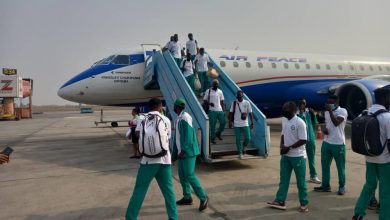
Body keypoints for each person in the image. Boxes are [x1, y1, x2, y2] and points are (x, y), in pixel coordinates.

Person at [124, 98, 177, 220]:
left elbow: (137, 135)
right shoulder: (166, 120)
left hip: (147, 162)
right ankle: (173, 218)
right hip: (164, 161)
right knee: (169, 192)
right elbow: (167, 137)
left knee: (139, 191)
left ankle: (131, 217)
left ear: (149, 107)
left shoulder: (142, 119)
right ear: (160, 107)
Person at [353, 87, 390, 220]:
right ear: (386, 98)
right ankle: (385, 217)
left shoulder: (364, 113)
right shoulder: (387, 117)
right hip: (384, 160)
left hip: (369, 157)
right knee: (386, 191)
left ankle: (358, 212)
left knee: (369, 185)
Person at [267, 101, 309, 212]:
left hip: (298, 156)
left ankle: (304, 203)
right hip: (285, 156)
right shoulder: (284, 120)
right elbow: (283, 134)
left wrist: (289, 148)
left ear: (293, 111)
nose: (283, 111)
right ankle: (280, 201)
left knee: (301, 182)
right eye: (283, 108)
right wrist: (282, 145)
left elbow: (304, 139)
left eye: (286, 109)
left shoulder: (300, 122)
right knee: (283, 180)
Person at [172, 99, 209, 212]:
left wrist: (183, 151)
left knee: (189, 175)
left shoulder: (185, 117)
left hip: (188, 152)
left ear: (177, 107)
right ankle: (187, 197)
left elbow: (188, 136)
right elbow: (177, 139)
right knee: (182, 175)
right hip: (182, 152)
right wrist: (174, 155)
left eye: (174, 106)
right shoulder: (179, 118)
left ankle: (203, 197)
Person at [314, 95, 348, 195]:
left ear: (337, 101)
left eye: (331, 103)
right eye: (328, 103)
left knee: (340, 167)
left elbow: (336, 123)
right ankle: (325, 185)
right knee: (325, 166)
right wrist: (325, 130)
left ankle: (342, 186)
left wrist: (330, 111)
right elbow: (329, 125)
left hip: (338, 143)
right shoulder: (326, 113)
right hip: (327, 142)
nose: (329, 105)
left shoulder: (343, 111)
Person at [296, 99, 321, 184]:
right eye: (301, 103)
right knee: (301, 159)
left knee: (312, 158)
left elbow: (315, 123)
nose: (302, 105)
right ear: (298, 104)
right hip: (301, 141)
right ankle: (301, 177)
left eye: (304, 103)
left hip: (310, 139)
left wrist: (316, 131)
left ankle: (313, 176)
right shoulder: (296, 114)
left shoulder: (309, 112)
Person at [228, 90, 254, 159]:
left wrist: (252, 122)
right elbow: (230, 113)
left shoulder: (247, 102)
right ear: (237, 96)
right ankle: (240, 153)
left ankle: (244, 146)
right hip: (237, 124)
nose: (239, 97)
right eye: (238, 96)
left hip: (245, 123)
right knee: (238, 139)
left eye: (240, 96)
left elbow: (250, 113)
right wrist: (230, 122)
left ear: (242, 95)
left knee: (248, 138)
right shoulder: (234, 103)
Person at [203, 79, 226, 144]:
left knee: (223, 122)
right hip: (212, 111)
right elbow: (204, 100)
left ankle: (218, 133)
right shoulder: (208, 91)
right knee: (213, 125)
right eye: (214, 83)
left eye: (217, 84)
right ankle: (213, 138)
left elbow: (222, 101)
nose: (216, 85)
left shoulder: (220, 91)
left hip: (220, 110)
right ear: (212, 84)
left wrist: (223, 111)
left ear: (218, 85)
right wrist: (210, 103)